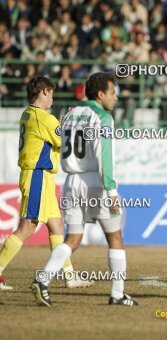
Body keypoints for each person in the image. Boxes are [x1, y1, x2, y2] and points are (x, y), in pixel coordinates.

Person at [31, 73, 138, 307]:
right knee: (115, 238)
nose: (116, 97)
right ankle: (118, 294)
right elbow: (104, 156)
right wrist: (111, 191)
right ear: (101, 94)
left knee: (73, 238)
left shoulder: (68, 114)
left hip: (71, 181)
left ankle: (42, 280)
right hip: (95, 182)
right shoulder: (103, 117)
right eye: (113, 92)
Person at [0, 76, 92, 290]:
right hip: (38, 175)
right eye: (50, 92)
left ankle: (69, 276)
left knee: (56, 225)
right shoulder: (44, 118)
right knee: (27, 227)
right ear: (42, 92)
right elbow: (66, 142)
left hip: (42, 177)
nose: (52, 97)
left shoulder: (28, 114)